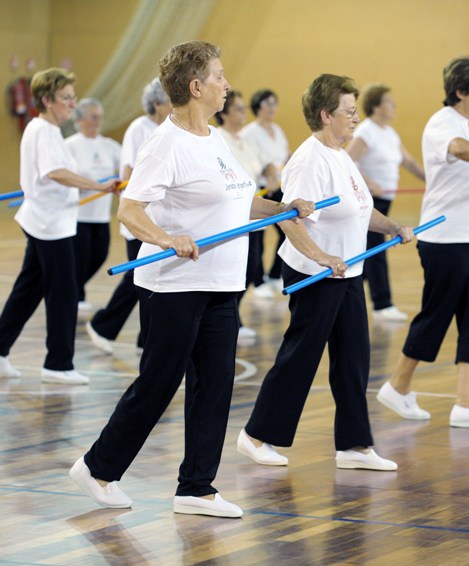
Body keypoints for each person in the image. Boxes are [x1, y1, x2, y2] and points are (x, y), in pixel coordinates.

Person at [69, 41, 315, 518]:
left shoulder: (215, 139)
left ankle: (197, 487)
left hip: (222, 283)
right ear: (197, 86)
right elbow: (130, 211)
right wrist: (167, 238)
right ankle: (97, 468)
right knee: (159, 383)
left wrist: (283, 207)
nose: (227, 84)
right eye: (219, 76)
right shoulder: (165, 144)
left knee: (215, 384)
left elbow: (238, 200)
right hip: (173, 285)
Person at [237, 73, 413, 471]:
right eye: (348, 112)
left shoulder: (341, 154)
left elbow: (361, 209)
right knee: (300, 357)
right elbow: (289, 218)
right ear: (325, 115)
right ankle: (255, 435)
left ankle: (354, 445)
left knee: (353, 358)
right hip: (314, 274)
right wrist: (321, 257)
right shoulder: (309, 160)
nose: (356, 118)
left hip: (346, 272)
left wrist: (392, 227)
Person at [375, 57, 469, 429]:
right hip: (447, 240)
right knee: (437, 315)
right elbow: (457, 149)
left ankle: (467, 403)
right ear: (460, 90)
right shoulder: (444, 123)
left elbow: (457, 178)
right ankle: (397, 385)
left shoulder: (466, 127)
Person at [0, 68, 116, 384]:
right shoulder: (44, 131)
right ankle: (58, 364)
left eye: (73, 97)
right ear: (47, 100)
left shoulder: (47, 130)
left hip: (49, 222)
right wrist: (98, 185)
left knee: (28, 290)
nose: (72, 104)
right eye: (66, 98)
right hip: (49, 226)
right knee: (63, 294)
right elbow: (56, 172)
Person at [85, 78, 171, 355]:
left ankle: (143, 340)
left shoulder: (169, 128)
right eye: (170, 99)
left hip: (160, 217)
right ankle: (103, 326)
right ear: (156, 103)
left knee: (147, 278)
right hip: (140, 216)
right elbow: (129, 171)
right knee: (136, 276)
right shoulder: (140, 128)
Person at [346, 83, 425, 322]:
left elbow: (408, 161)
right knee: (376, 250)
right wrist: (368, 182)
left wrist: (431, 180)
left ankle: (349, 294)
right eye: (389, 102)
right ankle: (382, 305)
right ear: (376, 106)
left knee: (367, 251)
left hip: (384, 200)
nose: (394, 105)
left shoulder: (390, 133)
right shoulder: (366, 131)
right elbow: (346, 163)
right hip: (369, 201)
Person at [215, 90, 283, 343]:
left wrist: (272, 175)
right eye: (238, 108)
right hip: (232, 217)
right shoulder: (218, 139)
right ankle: (228, 322)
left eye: (244, 108)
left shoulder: (245, 140)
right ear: (224, 113)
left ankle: (231, 321)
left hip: (253, 216)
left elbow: (266, 163)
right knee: (236, 272)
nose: (244, 113)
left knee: (248, 271)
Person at [65, 98, 121, 313]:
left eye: (100, 117)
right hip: (78, 215)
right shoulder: (70, 145)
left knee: (99, 255)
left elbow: (126, 169)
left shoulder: (110, 146)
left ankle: (70, 290)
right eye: (93, 116)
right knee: (79, 259)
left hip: (101, 215)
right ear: (80, 120)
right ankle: (76, 296)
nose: (98, 121)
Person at [241, 89, 289, 298]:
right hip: (260, 189)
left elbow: (285, 155)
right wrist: (267, 173)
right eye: (267, 103)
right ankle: (257, 281)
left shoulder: (277, 129)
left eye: (274, 103)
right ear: (257, 107)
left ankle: (275, 274)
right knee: (257, 237)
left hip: (279, 187)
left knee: (289, 230)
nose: (272, 108)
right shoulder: (249, 133)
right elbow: (252, 161)